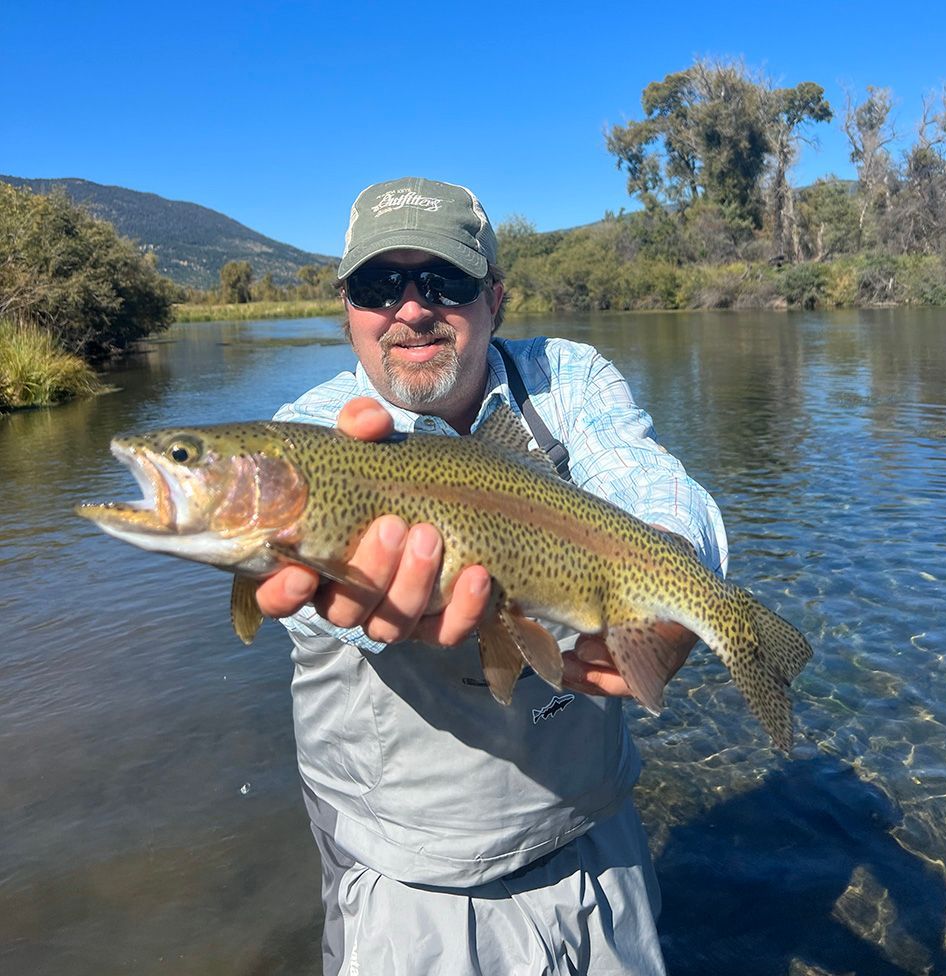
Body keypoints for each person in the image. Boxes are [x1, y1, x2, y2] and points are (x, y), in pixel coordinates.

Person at [255, 177, 728, 975]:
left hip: (595, 836)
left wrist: (673, 583)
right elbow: (297, 607)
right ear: (348, 309)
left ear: (495, 298)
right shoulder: (307, 437)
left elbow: (650, 480)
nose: (410, 310)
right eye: (379, 286)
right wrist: (343, 597)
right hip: (412, 882)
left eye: (444, 281)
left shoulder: (565, 383)